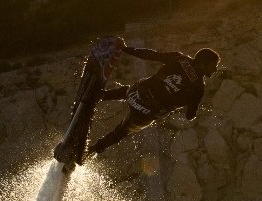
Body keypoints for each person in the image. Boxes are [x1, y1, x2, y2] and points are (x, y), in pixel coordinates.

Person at [88, 46, 220, 155]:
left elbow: (150, 55)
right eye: (213, 65)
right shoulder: (199, 88)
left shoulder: (179, 58)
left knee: (126, 91)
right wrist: (192, 110)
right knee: (122, 132)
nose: (215, 69)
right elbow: (189, 115)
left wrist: (125, 49)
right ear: (203, 64)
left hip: (137, 93)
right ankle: (93, 149)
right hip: (146, 113)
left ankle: (96, 97)